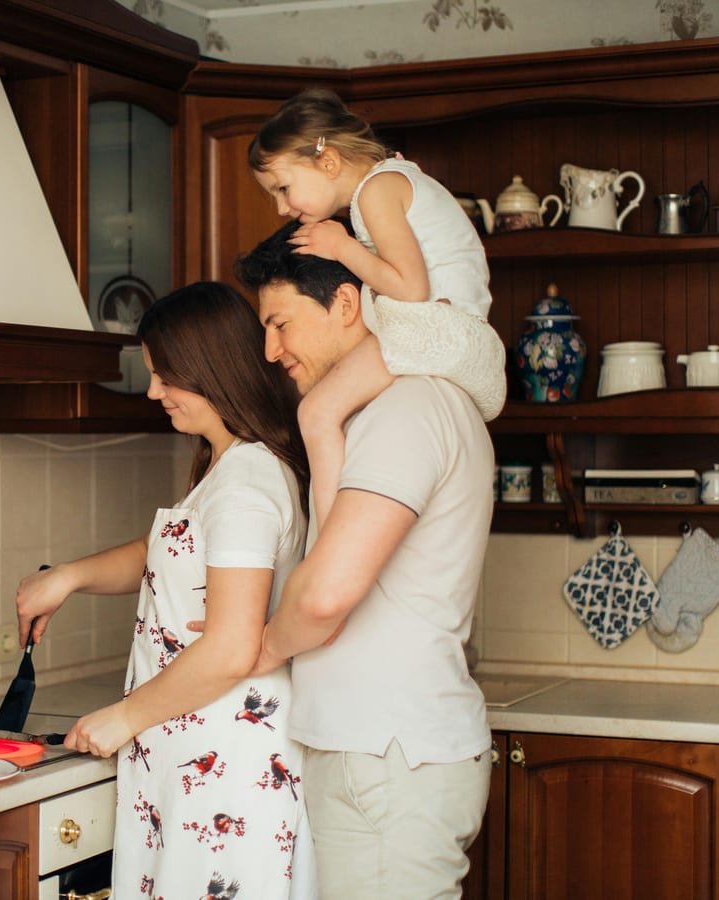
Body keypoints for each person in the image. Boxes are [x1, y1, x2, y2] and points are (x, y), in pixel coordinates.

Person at [14, 282, 316, 898]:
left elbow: (232, 646)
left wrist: (124, 716)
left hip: (226, 764)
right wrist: (69, 576)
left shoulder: (245, 484)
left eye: (164, 375)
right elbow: (172, 553)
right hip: (199, 748)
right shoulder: (227, 467)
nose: (154, 392)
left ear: (212, 369)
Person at [234, 224, 494, 899]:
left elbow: (326, 596)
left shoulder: (409, 407)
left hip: (387, 758)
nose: (271, 350)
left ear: (346, 303)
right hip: (380, 752)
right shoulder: (367, 413)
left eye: (281, 323)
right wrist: (320, 420)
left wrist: (260, 647)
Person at [249, 87, 505, 522]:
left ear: (328, 162)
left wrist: (341, 247)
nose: (280, 207)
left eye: (284, 188)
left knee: (317, 411)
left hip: (436, 329)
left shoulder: (377, 192)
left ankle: (327, 542)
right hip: (455, 330)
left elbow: (410, 289)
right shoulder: (393, 178)